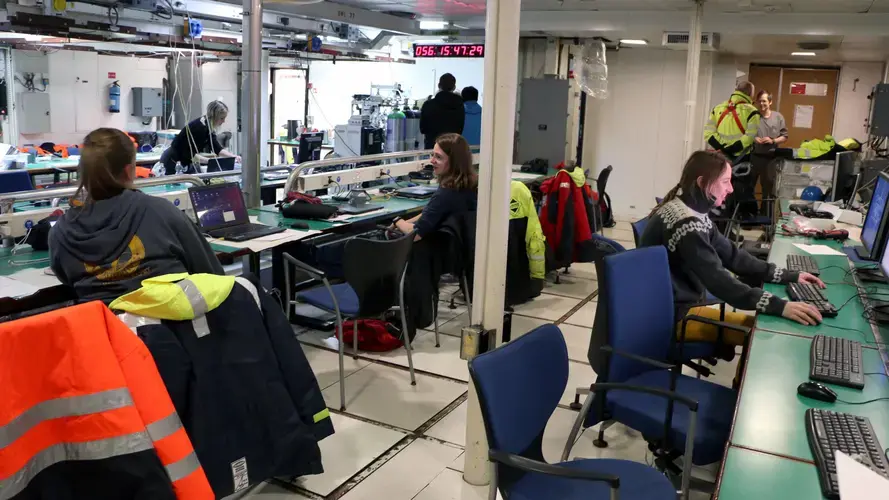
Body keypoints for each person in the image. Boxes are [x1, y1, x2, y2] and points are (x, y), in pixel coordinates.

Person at [641, 150, 824, 352]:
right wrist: (778, 305)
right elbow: (718, 280)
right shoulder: (687, 224)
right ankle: (741, 383)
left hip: (673, 305)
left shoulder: (690, 209)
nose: (730, 189)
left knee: (757, 322)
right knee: (758, 334)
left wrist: (787, 275)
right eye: (725, 182)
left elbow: (732, 256)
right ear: (703, 183)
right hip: (674, 316)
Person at [50, 128, 224, 302]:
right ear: (128, 171)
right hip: (170, 325)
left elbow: (66, 278)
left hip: (104, 326)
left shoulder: (61, 233)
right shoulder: (162, 213)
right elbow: (212, 275)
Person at [394, 133, 477, 240]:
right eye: (432, 155)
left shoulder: (445, 194)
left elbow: (415, 234)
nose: (432, 161)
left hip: (436, 252)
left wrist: (397, 221)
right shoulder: (468, 186)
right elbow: (428, 215)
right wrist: (405, 222)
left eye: (438, 157)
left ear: (454, 162)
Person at [161, 100, 241, 175]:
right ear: (214, 116)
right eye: (222, 118)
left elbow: (216, 148)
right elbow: (189, 154)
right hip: (173, 161)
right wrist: (210, 161)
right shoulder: (199, 128)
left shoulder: (208, 127)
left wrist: (233, 157)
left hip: (185, 161)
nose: (223, 121)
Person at [704, 81, 761, 162]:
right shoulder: (752, 112)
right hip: (741, 159)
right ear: (751, 94)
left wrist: (721, 148)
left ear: (736, 90)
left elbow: (708, 133)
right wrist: (730, 149)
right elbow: (749, 137)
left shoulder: (717, 108)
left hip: (719, 157)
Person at [751, 90, 788, 215]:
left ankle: (765, 218)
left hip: (771, 159)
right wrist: (754, 138)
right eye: (759, 101)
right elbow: (747, 134)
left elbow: (784, 136)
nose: (761, 104)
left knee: (768, 190)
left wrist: (772, 140)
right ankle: (751, 216)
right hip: (754, 157)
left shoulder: (778, 117)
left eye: (764, 101)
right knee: (749, 187)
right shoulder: (753, 116)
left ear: (770, 102)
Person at [420, 74, 465, 150]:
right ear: (454, 87)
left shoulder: (428, 105)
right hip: (452, 148)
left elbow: (423, 129)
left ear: (438, 85)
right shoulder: (460, 105)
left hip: (432, 148)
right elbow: (460, 129)